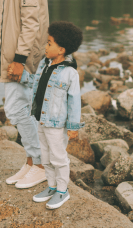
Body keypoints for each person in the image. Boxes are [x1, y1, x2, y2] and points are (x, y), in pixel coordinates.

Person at [0, 0, 49, 189]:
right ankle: (31, 163)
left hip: (23, 57)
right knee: (22, 107)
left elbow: (31, 21)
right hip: (17, 54)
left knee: (16, 108)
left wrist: (18, 58)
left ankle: (39, 164)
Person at [10, 21, 83, 209]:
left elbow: (75, 102)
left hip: (57, 125)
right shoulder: (45, 64)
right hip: (41, 120)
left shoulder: (69, 73)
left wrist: (73, 127)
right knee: (45, 157)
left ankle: (62, 190)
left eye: (49, 43)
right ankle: (51, 186)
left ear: (61, 49)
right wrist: (23, 77)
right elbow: (37, 82)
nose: (46, 46)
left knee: (59, 158)